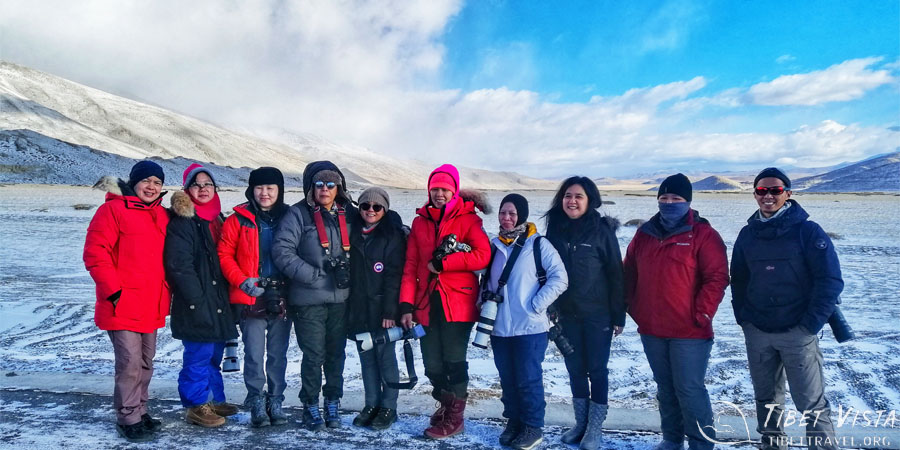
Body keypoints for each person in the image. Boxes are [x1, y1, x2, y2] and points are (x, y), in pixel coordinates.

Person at [731, 168, 843, 450]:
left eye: (775, 190)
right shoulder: (747, 234)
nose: (768, 196)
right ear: (755, 194)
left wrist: (810, 324)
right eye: (761, 191)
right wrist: (743, 318)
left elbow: (830, 280)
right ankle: (772, 445)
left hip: (798, 331)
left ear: (788, 194)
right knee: (766, 399)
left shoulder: (808, 231)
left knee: (811, 402)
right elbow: (739, 279)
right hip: (758, 330)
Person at [624, 174, 729, 450]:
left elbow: (717, 278)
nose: (669, 203)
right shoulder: (644, 233)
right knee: (665, 389)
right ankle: (671, 438)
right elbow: (629, 272)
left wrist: (702, 314)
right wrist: (632, 307)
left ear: (688, 201)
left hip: (689, 331)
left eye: (676, 198)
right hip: (652, 328)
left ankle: (701, 443)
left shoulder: (704, 235)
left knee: (689, 390)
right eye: (664, 198)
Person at [398, 164, 491, 440]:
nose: (439, 194)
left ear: (454, 191)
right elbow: (411, 265)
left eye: (445, 189)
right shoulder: (419, 221)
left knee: (453, 360)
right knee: (432, 364)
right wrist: (406, 304)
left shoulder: (469, 219)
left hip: (458, 304)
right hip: (426, 303)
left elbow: (482, 256)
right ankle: (446, 403)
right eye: (435, 189)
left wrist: (445, 262)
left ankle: (455, 418)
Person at [83, 160, 170, 443]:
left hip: (152, 302)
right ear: (134, 183)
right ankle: (127, 416)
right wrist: (114, 292)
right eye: (146, 181)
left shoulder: (162, 215)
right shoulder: (112, 210)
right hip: (122, 304)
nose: (151, 186)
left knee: (146, 361)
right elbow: (96, 253)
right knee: (130, 363)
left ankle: (140, 409)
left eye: (157, 183)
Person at [273, 160, 356, 431]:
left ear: (338, 187)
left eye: (331, 184)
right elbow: (282, 250)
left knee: (336, 354)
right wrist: (311, 275)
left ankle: (333, 400)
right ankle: (310, 404)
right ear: (311, 187)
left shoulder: (348, 213)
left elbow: (373, 228)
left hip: (341, 298)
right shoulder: (298, 215)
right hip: (308, 299)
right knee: (314, 355)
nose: (325, 189)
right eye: (319, 184)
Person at [544, 176, 624, 450]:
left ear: (590, 200)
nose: (572, 201)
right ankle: (581, 423)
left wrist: (618, 315)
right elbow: (545, 272)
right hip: (566, 314)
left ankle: (594, 429)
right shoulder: (555, 229)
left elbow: (616, 273)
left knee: (597, 371)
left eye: (578, 196)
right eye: (568, 195)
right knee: (575, 370)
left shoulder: (602, 231)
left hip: (597, 314)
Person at [484, 194, 568, 450]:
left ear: (522, 215)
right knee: (507, 377)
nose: (506, 218)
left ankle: (533, 426)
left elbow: (560, 278)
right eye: (502, 213)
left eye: (512, 213)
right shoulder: (493, 245)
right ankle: (514, 421)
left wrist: (535, 305)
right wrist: (482, 304)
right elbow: (486, 280)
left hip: (530, 327)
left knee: (528, 377)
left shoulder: (538, 245)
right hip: (500, 327)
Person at [164, 164, 239, 428]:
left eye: (208, 184)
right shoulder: (184, 222)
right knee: (198, 354)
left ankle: (214, 399)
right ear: (188, 189)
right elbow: (179, 266)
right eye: (197, 184)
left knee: (213, 353)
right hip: (196, 301)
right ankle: (196, 405)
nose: (203, 189)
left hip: (217, 299)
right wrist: (197, 301)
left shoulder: (216, 218)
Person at [217, 167, 292, 428]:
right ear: (251, 190)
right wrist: (242, 281)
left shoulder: (290, 217)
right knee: (254, 353)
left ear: (279, 190)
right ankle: (257, 400)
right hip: (251, 295)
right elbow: (224, 255)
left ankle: (276, 399)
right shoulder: (237, 219)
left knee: (278, 354)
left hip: (282, 295)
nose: (265, 193)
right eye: (260, 188)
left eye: (271, 188)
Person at [346, 187, 407, 430]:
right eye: (365, 206)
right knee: (366, 359)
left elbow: (394, 276)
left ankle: (389, 407)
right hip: (359, 309)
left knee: (385, 358)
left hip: (383, 309)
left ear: (385, 209)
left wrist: (390, 312)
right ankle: (371, 404)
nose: (370, 211)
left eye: (377, 207)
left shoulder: (392, 236)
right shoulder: (352, 233)